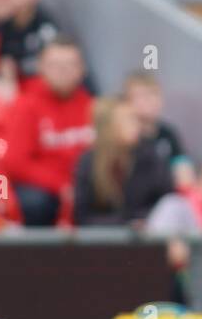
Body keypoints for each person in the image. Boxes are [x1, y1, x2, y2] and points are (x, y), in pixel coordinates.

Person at [2, 37, 95, 225]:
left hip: (83, 185)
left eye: (70, 65)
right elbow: (14, 162)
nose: (63, 71)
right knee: (34, 202)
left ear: (82, 69)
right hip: (44, 189)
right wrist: (60, 185)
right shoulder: (26, 104)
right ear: (41, 68)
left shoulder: (92, 106)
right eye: (55, 65)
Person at [72, 96, 173, 227]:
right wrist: (124, 224)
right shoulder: (88, 162)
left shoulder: (151, 157)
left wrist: (143, 220)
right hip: (103, 241)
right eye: (128, 119)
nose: (137, 124)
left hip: (146, 241)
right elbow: (82, 216)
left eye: (135, 118)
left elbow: (166, 203)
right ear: (108, 126)